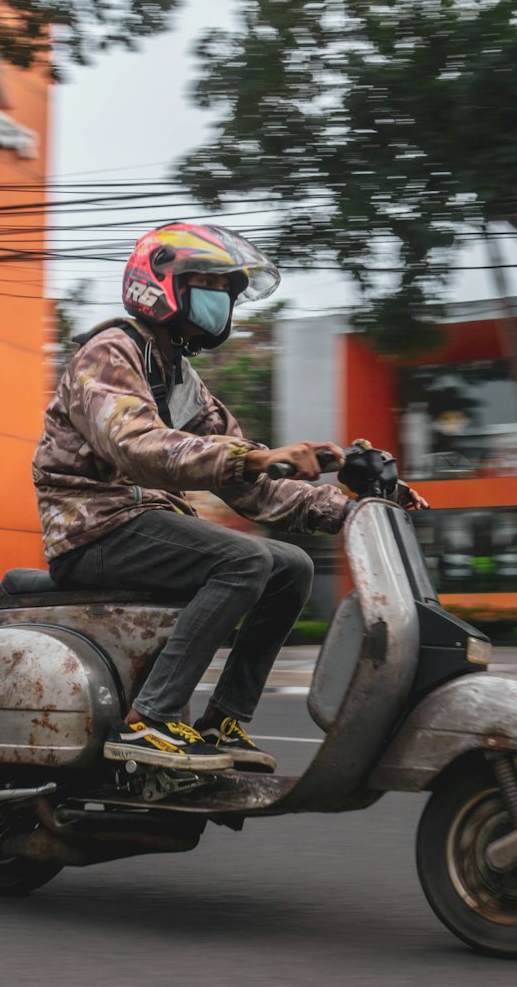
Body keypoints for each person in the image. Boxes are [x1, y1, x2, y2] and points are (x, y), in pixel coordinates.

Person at [32, 223, 351, 773]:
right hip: (91, 528)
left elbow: (247, 477)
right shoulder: (110, 353)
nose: (221, 300)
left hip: (140, 523)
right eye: (208, 284)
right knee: (244, 559)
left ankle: (223, 720)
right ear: (160, 285)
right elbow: (139, 448)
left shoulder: (179, 378)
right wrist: (252, 456)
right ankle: (148, 721)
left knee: (291, 567)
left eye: (227, 290)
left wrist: (346, 508)